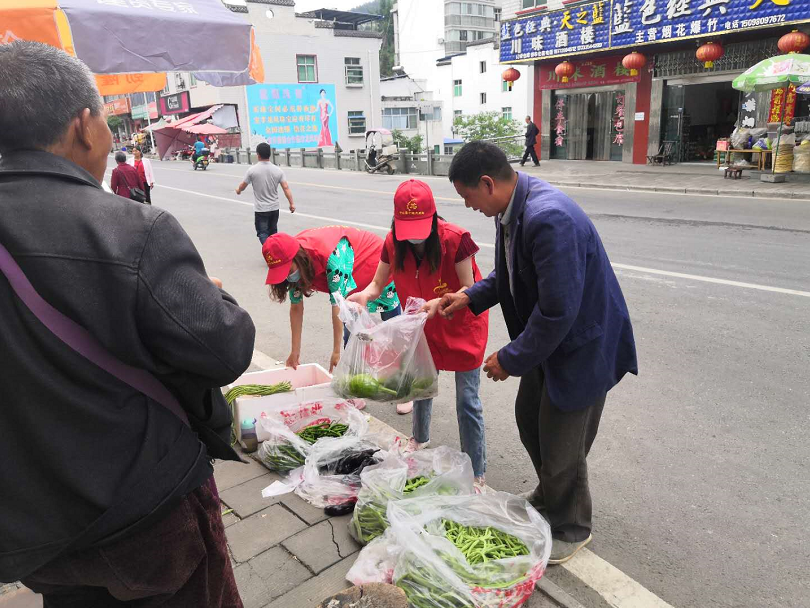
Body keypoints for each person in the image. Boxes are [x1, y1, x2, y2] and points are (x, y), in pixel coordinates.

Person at [0, 41, 256, 606]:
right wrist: (218, 297)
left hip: (34, 528)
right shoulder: (131, 231)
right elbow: (225, 350)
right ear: (85, 125)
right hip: (142, 512)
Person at [440, 141, 637, 565]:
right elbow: (509, 273)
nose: (467, 205)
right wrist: (469, 296)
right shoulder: (510, 209)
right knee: (530, 417)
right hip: (550, 346)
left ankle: (571, 527)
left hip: (580, 345)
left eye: (467, 196)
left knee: (563, 441)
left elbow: (557, 311)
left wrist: (509, 359)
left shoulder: (549, 219)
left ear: (488, 184)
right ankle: (549, 495)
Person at [348, 180, 489, 483]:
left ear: (433, 217)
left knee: (467, 400)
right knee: (422, 384)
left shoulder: (456, 239)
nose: (412, 238)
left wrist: (441, 301)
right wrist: (364, 296)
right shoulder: (392, 242)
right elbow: (376, 284)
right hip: (422, 323)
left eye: (419, 229)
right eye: (406, 229)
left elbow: (471, 287)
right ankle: (419, 438)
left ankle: (476, 471)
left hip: (461, 322)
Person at [263, 227, 414, 415]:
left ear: (298, 258)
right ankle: (356, 388)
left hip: (375, 268)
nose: (287, 276)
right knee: (352, 335)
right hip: (350, 283)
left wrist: (336, 352)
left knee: (393, 331)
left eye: (288, 270)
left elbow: (337, 309)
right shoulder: (295, 267)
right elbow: (296, 308)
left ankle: (405, 389)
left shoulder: (331, 256)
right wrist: (295, 352)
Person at [236, 142, 295, 245]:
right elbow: (286, 188)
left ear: (258, 154)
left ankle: (270, 253)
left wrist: (238, 190)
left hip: (261, 209)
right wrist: (291, 204)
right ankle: (275, 251)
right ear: (269, 154)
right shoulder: (278, 170)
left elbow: (243, 185)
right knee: (273, 232)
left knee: (263, 233)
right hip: (274, 208)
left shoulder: (252, 170)